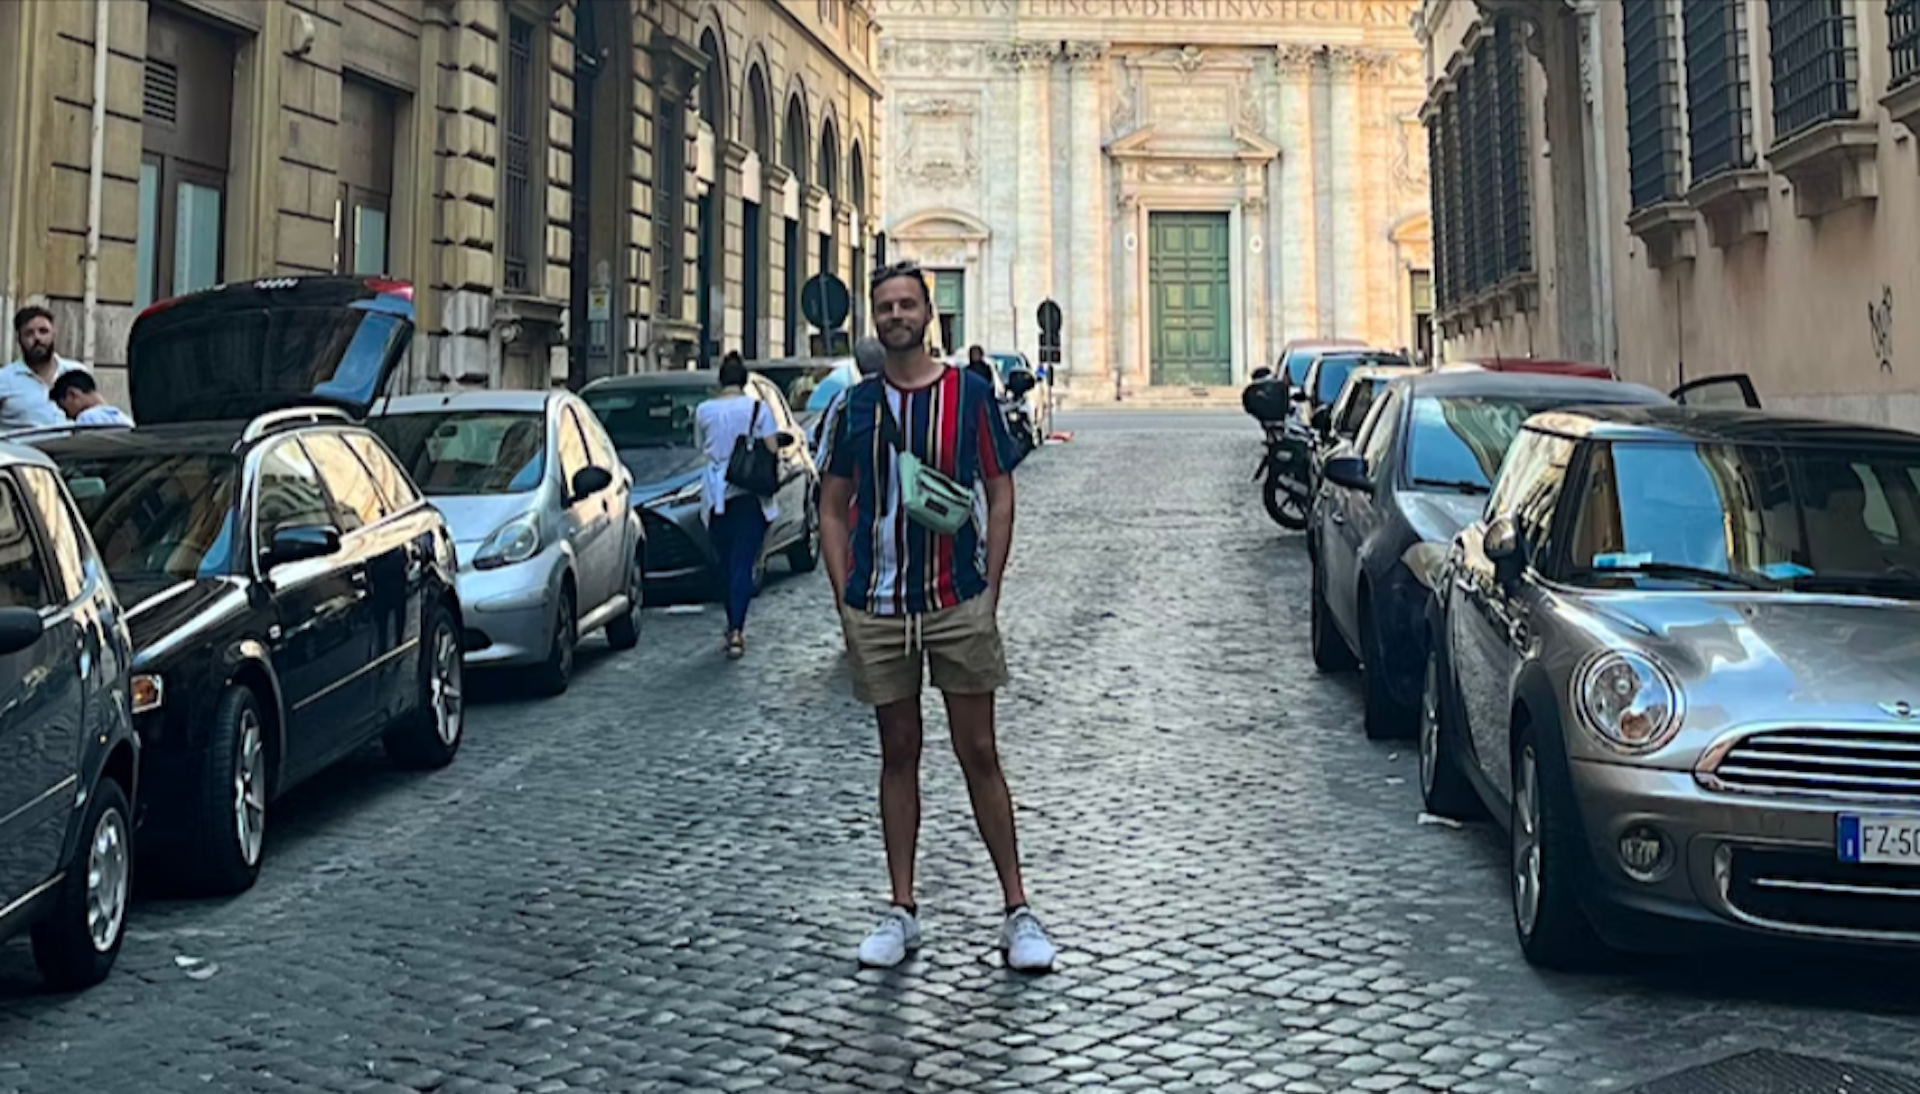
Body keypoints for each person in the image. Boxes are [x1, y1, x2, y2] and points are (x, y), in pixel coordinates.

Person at [818, 261, 1057, 974]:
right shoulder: (856, 408)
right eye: (885, 306)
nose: (896, 315)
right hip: (881, 603)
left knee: (979, 751)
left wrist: (992, 584)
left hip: (957, 598)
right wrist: (844, 594)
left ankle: (1018, 909)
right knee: (898, 753)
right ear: (874, 318)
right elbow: (832, 506)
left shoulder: (971, 395)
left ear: (929, 314)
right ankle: (901, 908)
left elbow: (1001, 489)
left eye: (907, 304)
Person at [694, 351, 780, 659]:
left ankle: (732, 622)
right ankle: (736, 630)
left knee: (727, 561)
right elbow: (772, 448)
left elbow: (701, 448)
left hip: (716, 494)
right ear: (744, 380)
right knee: (744, 561)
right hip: (749, 493)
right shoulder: (758, 408)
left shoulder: (703, 410)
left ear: (721, 380)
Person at [2, 306, 83, 430]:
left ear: (54, 334)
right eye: (29, 333)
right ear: (19, 339)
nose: (37, 338)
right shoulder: (4, 379)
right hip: (24, 448)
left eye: (43, 331)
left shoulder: (76, 372)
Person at [50, 369, 133, 426]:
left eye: (65, 409)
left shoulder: (87, 417)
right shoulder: (120, 416)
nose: (68, 417)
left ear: (72, 394)